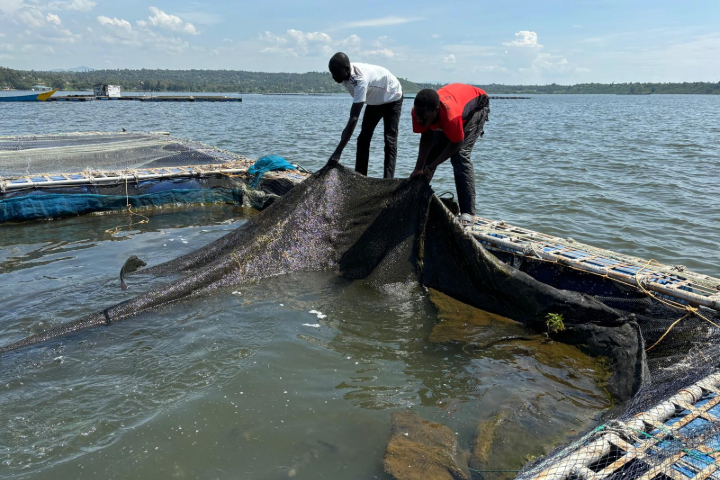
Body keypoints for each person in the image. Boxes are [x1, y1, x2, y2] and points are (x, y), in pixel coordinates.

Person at [410, 84, 489, 227]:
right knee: (433, 152)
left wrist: (432, 166)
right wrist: (419, 168)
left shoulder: (451, 116)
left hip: (477, 106)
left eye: (424, 118)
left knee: (460, 156)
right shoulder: (419, 112)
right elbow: (426, 137)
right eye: (418, 117)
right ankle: (418, 197)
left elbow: (456, 143)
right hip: (453, 107)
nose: (420, 120)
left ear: (435, 111)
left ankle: (468, 212)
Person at [328, 52, 403, 178]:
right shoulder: (344, 75)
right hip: (374, 100)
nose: (333, 77)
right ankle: (361, 176)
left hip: (392, 96)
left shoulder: (359, 80)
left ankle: (388, 181)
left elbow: (354, 118)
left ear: (347, 69)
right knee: (363, 138)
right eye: (332, 73)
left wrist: (338, 152)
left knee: (390, 140)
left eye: (336, 73)